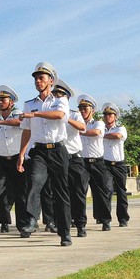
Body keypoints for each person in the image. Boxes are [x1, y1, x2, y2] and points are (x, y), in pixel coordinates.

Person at [17, 62, 73, 247]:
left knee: (60, 192)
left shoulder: (59, 100)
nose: (38, 81)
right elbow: (26, 131)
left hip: (57, 149)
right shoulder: (29, 104)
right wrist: (21, 153)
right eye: (36, 78)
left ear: (51, 80)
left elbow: (59, 115)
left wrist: (37, 115)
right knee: (35, 181)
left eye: (41, 78)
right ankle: (32, 219)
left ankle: (65, 233)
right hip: (39, 150)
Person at [0, 85, 27, 235]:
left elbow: (20, 122)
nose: (0, 102)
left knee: (20, 194)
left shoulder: (17, 114)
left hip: (17, 159)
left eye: (3, 99)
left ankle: (23, 226)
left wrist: (1, 123)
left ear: (11, 102)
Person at [78, 94, 112, 231]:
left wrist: (79, 131)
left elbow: (96, 132)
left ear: (92, 110)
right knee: (79, 192)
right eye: (80, 108)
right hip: (82, 162)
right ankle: (80, 221)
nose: (82, 111)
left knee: (102, 192)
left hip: (97, 162)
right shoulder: (76, 122)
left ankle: (105, 220)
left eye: (85, 108)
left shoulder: (98, 123)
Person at [60, 80, 89, 238]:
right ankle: (63, 223)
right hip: (59, 157)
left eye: (61, 95)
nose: (57, 98)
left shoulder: (74, 114)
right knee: (61, 192)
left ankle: (80, 224)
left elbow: (82, 127)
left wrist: (65, 118)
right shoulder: (50, 112)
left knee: (78, 192)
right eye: (55, 95)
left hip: (74, 158)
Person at [102, 102, 129, 227]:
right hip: (105, 164)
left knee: (121, 191)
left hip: (118, 164)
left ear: (115, 117)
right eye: (106, 115)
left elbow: (118, 136)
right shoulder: (100, 128)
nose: (108, 117)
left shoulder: (120, 128)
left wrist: (103, 136)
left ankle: (123, 218)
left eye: (110, 115)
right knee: (107, 190)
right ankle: (106, 220)